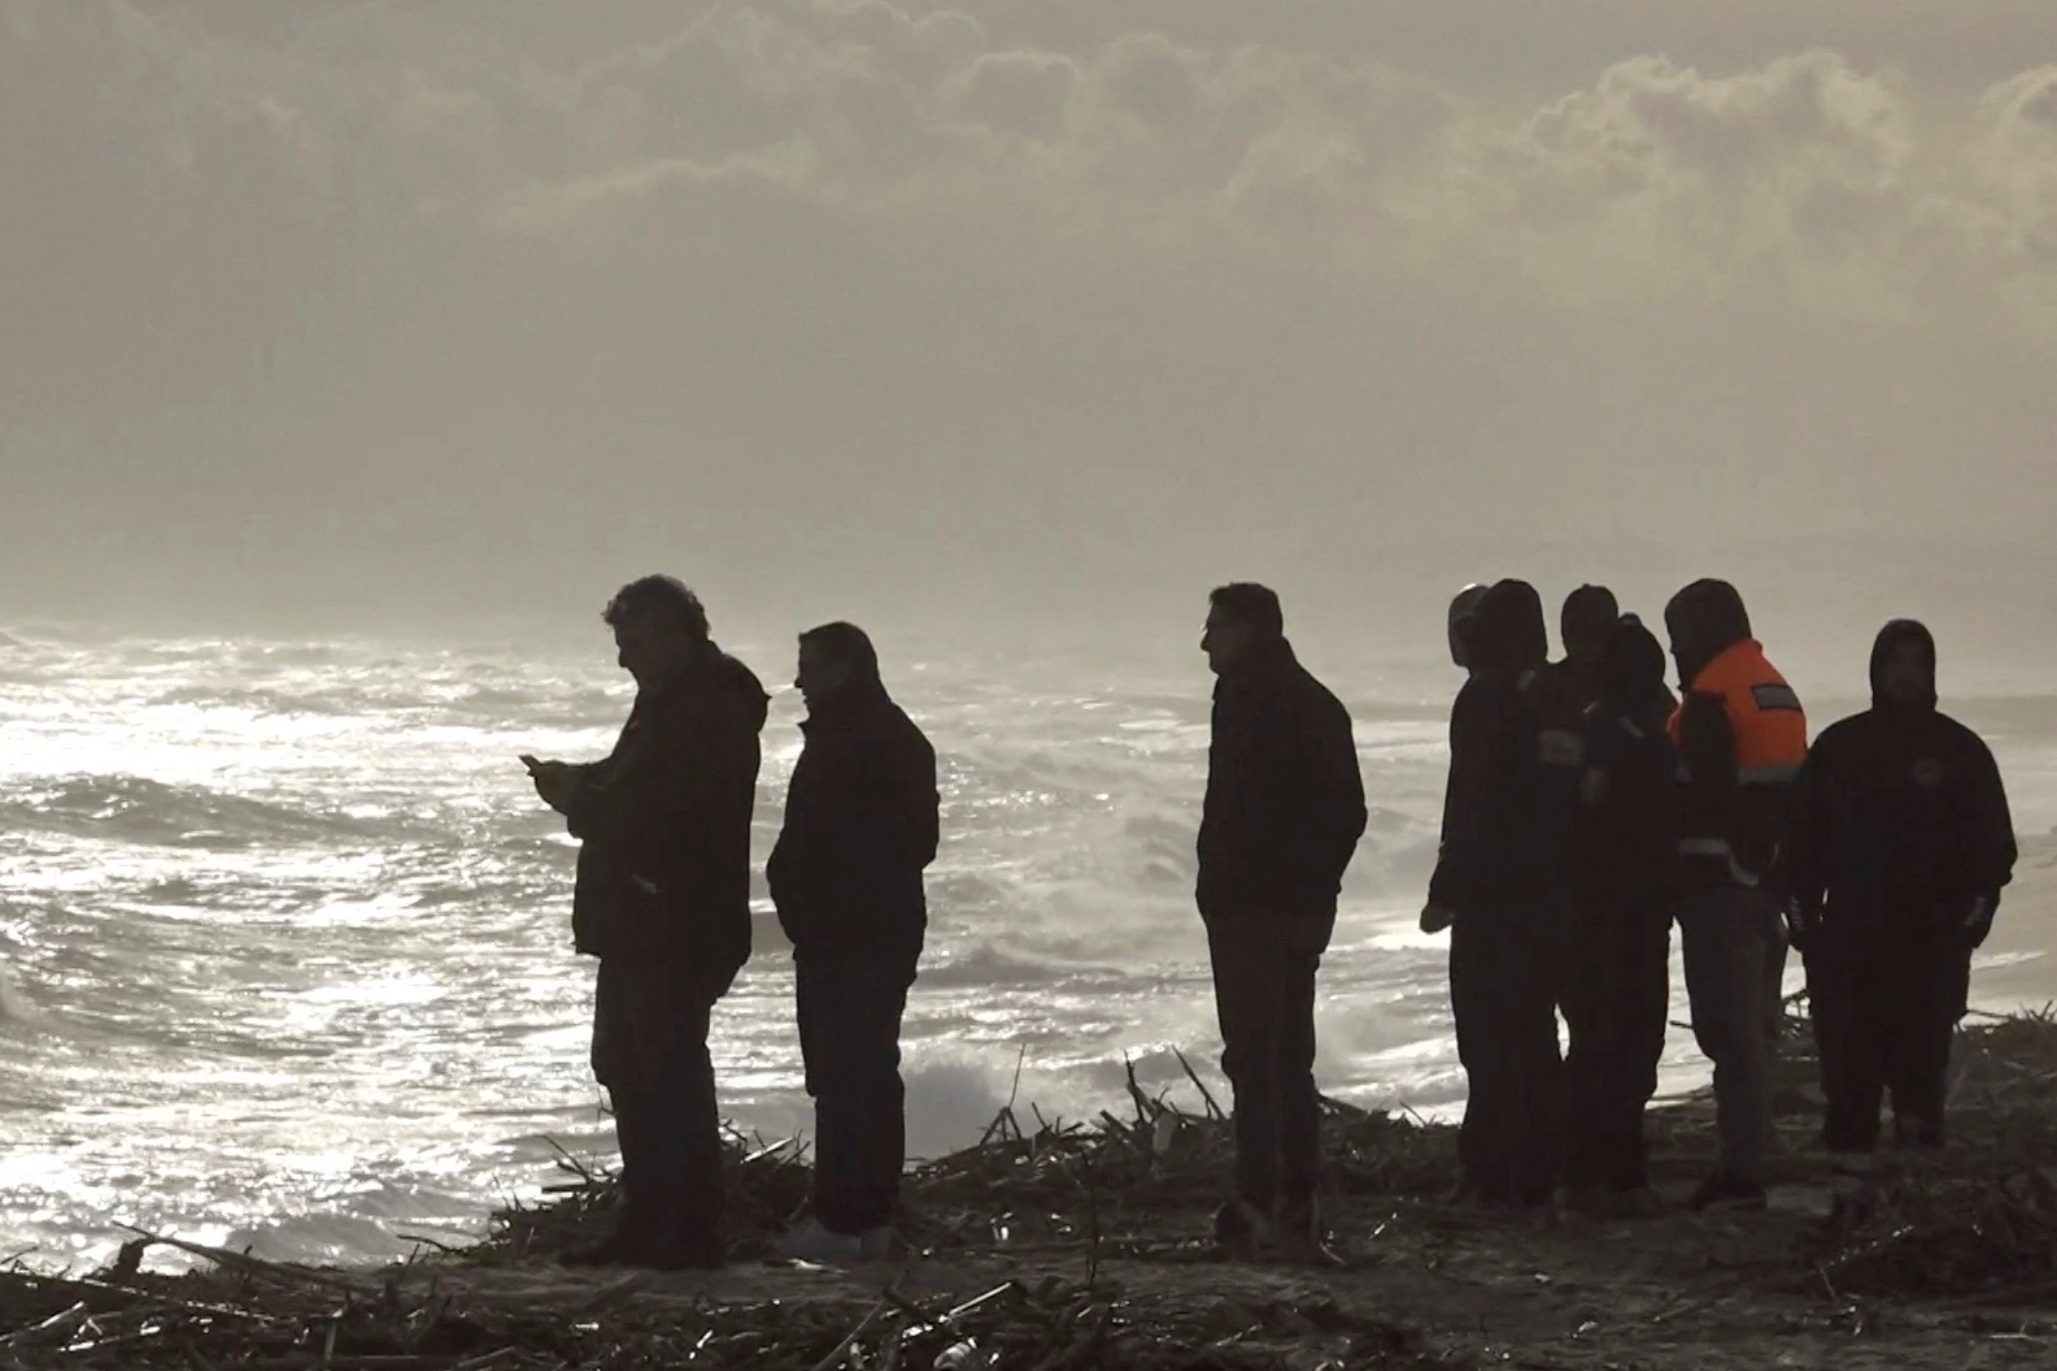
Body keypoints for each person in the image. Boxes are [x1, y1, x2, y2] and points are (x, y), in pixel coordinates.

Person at [527, 576, 768, 1270]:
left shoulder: (707, 705)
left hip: (675, 918)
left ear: (672, 637)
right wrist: (581, 780)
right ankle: (650, 1222)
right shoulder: (675, 698)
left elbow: (665, 813)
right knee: (628, 1064)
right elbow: (638, 783)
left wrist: (579, 800)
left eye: (632, 643)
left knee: (666, 1069)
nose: (623, 659)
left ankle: (688, 1230)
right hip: (643, 917)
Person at [1785, 621, 2015, 1219]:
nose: (1907, 673)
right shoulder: (1839, 747)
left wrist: (1969, 930)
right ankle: (1850, 1204)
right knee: (1849, 1076)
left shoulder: (1960, 751)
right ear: (1877, 669)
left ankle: (1917, 1207)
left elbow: (1994, 857)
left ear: (1931, 671)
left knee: (1921, 1074)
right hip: (1850, 945)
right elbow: (1798, 854)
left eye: (1917, 661)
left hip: (1931, 945)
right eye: (1896, 661)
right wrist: (1808, 933)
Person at [1197, 583, 1367, 1254]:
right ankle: (1296, 1199)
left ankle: (1259, 1199)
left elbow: (1241, 810)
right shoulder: (1315, 700)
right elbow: (1349, 812)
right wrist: (1319, 884)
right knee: (1291, 1056)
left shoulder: (1248, 699)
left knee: (1254, 1055)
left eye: (1215, 627)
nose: (1204, 641)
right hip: (1300, 906)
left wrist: (1232, 883)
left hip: (1253, 907)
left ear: (1247, 631)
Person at [768, 622, 940, 1260]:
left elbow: (908, 842)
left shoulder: (871, 740)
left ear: (843, 670)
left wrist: (826, 894)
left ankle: (847, 1219)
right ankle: (864, 1216)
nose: (798, 681)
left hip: (856, 933)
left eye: (809, 668)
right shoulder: (870, 735)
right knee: (855, 1070)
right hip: (852, 930)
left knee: (849, 1073)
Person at [1663, 579, 1807, 1211]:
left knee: (1729, 1033)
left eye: (1678, 636)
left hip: (1721, 890)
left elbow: (1705, 801)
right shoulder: (1775, 690)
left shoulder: (1709, 703)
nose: (1674, 651)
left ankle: (1743, 1170)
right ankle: (1755, 1153)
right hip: (1769, 890)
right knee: (1757, 1030)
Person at [1425, 579, 1562, 1209]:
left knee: (1486, 1034)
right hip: (1548, 892)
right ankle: (1536, 1169)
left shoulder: (1483, 698)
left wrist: (1446, 887)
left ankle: (1489, 1171)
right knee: (1533, 1031)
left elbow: (1471, 801)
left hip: (1493, 896)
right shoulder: (1551, 694)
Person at [1561, 617, 1679, 1217]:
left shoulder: (1635, 735)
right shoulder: (1605, 737)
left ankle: (1611, 1173)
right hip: (1608, 913)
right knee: (1611, 1045)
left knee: (1620, 1045)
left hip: (1628, 913)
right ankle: (1600, 1175)